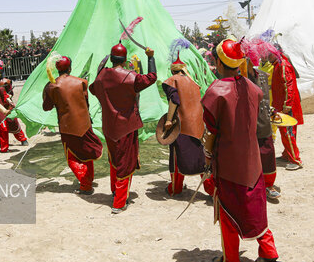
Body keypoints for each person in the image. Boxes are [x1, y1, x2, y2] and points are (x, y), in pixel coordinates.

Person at [201, 39, 283, 262]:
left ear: (218, 61)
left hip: (227, 163)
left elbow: (210, 131)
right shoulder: (252, 87)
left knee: (227, 212)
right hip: (252, 159)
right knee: (256, 207)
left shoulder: (215, 91)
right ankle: (269, 250)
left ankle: (232, 261)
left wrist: (207, 159)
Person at [90, 43, 157, 213]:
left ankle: (115, 191)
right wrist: (150, 57)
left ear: (111, 59)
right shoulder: (130, 77)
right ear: (125, 59)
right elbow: (152, 77)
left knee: (115, 159)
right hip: (126, 127)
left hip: (109, 126)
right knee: (124, 163)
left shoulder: (101, 77)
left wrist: (101, 72)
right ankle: (119, 202)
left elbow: (93, 89)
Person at [42, 56, 103, 194]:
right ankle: (88, 181)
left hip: (67, 126)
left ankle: (86, 184)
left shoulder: (52, 85)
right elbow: (86, 103)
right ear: (70, 68)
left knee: (72, 157)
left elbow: (46, 107)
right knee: (86, 152)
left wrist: (47, 91)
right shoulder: (81, 82)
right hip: (85, 122)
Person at [161, 53, 213, 196]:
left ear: (173, 70)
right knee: (200, 157)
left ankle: (175, 188)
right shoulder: (192, 81)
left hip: (182, 125)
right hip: (198, 124)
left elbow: (174, 100)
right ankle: (211, 189)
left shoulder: (172, 80)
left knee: (178, 156)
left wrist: (169, 120)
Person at [247, 61, 281, 200]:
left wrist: (271, 111)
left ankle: (268, 185)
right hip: (245, 126)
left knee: (267, 153)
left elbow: (265, 100)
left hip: (262, 121)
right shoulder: (237, 77)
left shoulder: (261, 76)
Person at [268, 49, 304, 170]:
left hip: (286, 106)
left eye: (269, 54)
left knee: (288, 133)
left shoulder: (283, 65)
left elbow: (289, 87)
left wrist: (287, 106)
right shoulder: (278, 64)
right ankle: (287, 155)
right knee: (285, 132)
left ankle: (296, 160)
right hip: (281, 104)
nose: (267, 56)